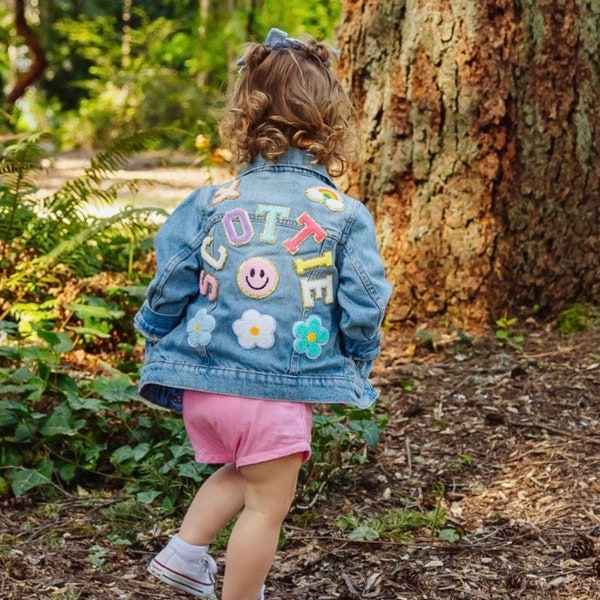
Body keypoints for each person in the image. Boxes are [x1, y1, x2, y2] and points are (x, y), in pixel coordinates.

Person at [134, 27, 392, 600]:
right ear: (328, 123)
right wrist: (359, 353)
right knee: (267, 508)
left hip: (205, 386)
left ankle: (185, 551)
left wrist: (150, 330)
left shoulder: (212, 201)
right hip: (275, 388)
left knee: (247, 474)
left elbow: (171, 275)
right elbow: (365, 300)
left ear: (245, 119)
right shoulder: (343, 214)